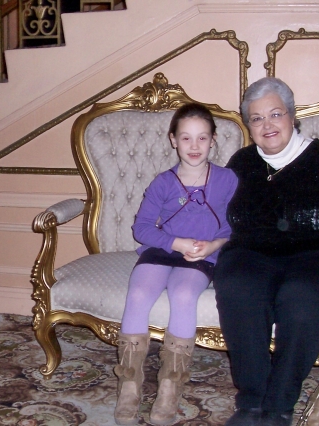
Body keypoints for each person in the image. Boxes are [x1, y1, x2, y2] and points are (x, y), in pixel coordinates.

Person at [213, 77, 319, 426]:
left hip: (316, 256)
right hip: (250, 254)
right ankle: (251, 404)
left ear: (292, 116)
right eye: (256, 118)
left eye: (275, 114)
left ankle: (279, 408)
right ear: (248, 125)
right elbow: (217, 216)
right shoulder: (242, 163)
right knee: (239, 289)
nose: (267, 125)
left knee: (302, 300)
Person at [114, 103, 239, 425]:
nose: (194, 146)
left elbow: (238, 223)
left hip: (202, 255)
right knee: (139, 295)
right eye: (186, 138)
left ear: (213, 140)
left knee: (184, 296)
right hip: (164, 249)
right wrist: (174, 242)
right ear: (173, 140)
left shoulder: (228, 180)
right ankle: (129, 384)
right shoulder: (163, 182)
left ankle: (170, 386)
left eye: (202, 138)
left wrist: (213, 244)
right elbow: (141, 228)